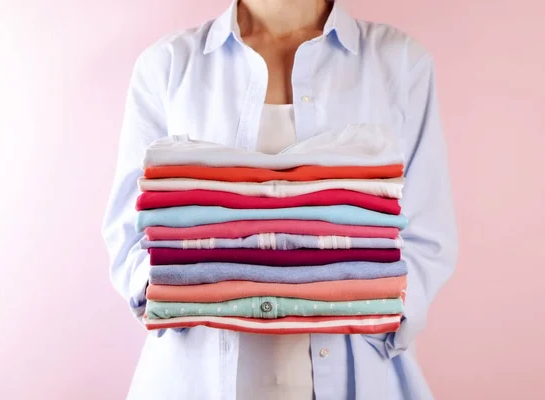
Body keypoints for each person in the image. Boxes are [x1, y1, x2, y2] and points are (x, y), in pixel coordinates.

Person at [102, 0, 458, 398]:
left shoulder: (398, 62)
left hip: (359, 378)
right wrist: (176, 295)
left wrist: (378, 311)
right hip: (193, 379)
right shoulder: (167, 66)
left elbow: (428, 234)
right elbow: (129, 232)